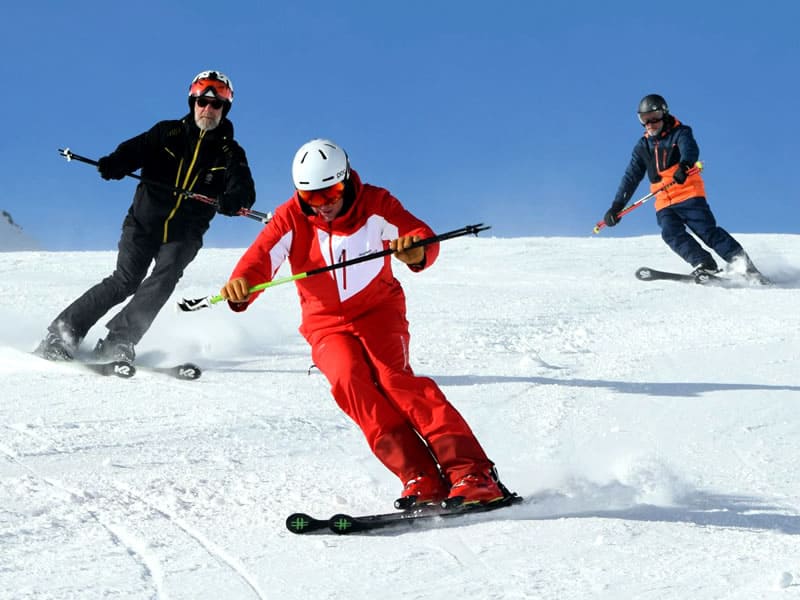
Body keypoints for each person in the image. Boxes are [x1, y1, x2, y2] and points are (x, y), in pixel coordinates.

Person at [218, 138, 513, 507]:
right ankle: (419, 476)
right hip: (324, 323)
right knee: (350, 383)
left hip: (378, 311)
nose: (324, 204)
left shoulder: (376, 204)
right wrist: (242, 286)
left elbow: (417, 233)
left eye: (333, 192)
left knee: (396, 381)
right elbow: (259, 259)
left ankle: (471, 472)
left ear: (346, 180)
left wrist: (416, 250)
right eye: (313, 198)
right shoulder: (290, 217)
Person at [36, 70, 256, 362]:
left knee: (164, 279)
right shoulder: (167, 132)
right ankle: (63, 333)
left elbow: (243, 187)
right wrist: (115, 164)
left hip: (184, 234)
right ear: (193, 102)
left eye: (216, 105)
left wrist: (233, 200)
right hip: (143, 223)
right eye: (202, 102)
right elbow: (132, 151)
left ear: (224, 109)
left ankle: (119, 342)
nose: (208, 109)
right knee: (124, 280)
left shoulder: (230, 152)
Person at [604, 93, 767, 282]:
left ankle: (746, 268)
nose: (650, 124)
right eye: (644, 119)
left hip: (688, 193)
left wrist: (685, 165)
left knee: (707, 231)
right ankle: (704, 263)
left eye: (654, 118)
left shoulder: (680, 132)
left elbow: (689, 149)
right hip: (663, 200)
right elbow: (630, 177)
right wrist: (616, 206)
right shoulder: (643, 146)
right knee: (670, 233)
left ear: (664, 114)